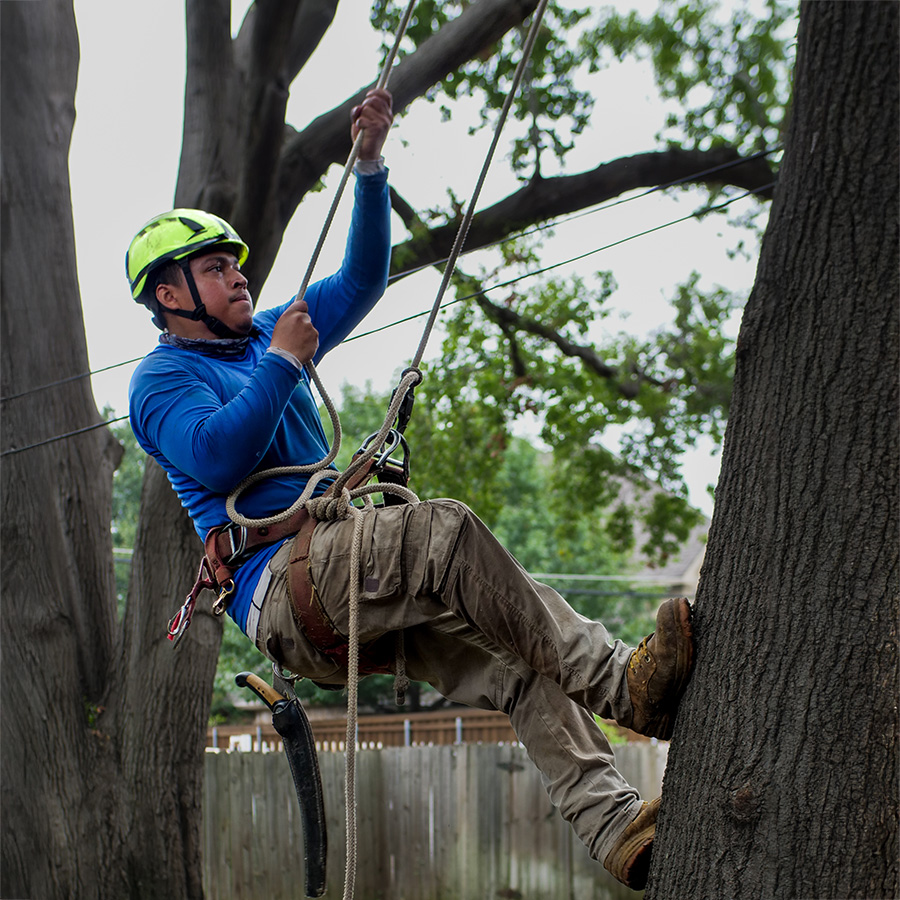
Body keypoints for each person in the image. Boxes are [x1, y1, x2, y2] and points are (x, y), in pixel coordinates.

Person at [126, 87, 694, 892]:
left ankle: (611, 827)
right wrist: (284, 361)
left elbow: (363, 277)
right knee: (444, 536)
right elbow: (217, 460)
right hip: (282, 589)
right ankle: (624, 683)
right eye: (215, 268)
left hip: (333, 575)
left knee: (513, 662)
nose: (238, 277)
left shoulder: (265, 332)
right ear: (170, 294)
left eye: (238, 264)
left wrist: (367, 167)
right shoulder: (161, 380)